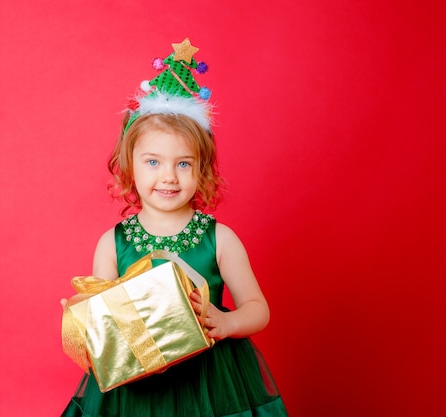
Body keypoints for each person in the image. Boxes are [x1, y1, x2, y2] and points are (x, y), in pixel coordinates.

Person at [60, 38, 288, 417]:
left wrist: (228, 321)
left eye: (184, 164)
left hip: (211, 382)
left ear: (202, 169)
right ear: (129, 165)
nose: (169, 176)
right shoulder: (112, 243)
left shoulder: (220, 238)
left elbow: (258, 309)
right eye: (153, 162)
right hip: (138, 388)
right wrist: (83, 319)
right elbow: (106, 322)